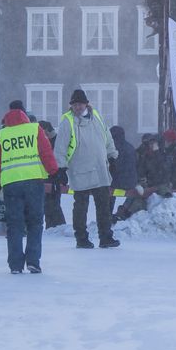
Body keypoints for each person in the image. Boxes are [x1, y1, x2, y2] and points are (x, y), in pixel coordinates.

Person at [0, 108, 58, 273]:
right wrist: (53, 170)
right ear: (25, 118)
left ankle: (15, 265)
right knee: (35, 222)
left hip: (11, 184)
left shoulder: (2, 135)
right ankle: (33, 261)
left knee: (14, 225)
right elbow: (45, 152)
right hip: (33, 182)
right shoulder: (35, 129)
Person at [55, 89, 119, 249]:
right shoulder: (67, 122)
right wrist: (60, 168)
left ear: (86, 104)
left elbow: (107, 137)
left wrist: (112, 155)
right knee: (81, 207)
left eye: (80, 104)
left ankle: (105, 237)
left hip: (99, 168)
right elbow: (60, 147)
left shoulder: (97, 116)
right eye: (75, 104)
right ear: (71, 106)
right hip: (80, 169)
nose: (78, 107)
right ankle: (81, 238)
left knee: (103, 206)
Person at [38, 119, 66, 229]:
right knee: (49, 204)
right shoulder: (55, 140)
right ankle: (53, 227)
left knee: (52, 204)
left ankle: (56, 226)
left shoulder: (55, 142)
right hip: (51, 176)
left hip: (53, 176)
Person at [108, 125, 138, 221]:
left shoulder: (114, 148)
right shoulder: (130, 147)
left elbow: (115, 167)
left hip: (118, 181)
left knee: (106, 192)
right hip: (131, 181)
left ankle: (107, 215)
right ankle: (121, 212)